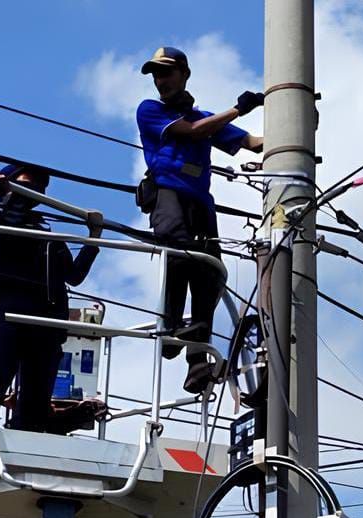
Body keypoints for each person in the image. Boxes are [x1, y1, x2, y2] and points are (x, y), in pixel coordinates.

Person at [136, 46, 264, 394]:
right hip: (169, 195)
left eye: (167, 73)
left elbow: (252, 143)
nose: (161, 81)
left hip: (200, 203)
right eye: (156, 75)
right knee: (178, 254)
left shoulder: (205, 118)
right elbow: (193, 132)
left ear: (184, 74)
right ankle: (172, 328)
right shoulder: (151, 111)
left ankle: (197, 363)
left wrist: (293, 130)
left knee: (208, 274)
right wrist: (239, 108)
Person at [0, 163, 102, 431]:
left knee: (35, 399)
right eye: (28, 185)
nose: (36, 192)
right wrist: (6, 196)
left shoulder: (47, 233)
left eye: (40, 188)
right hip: (13, 315)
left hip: (48, 322)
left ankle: (26, 434)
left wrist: (93, 238)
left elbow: (74, 275)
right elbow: (10, 221)